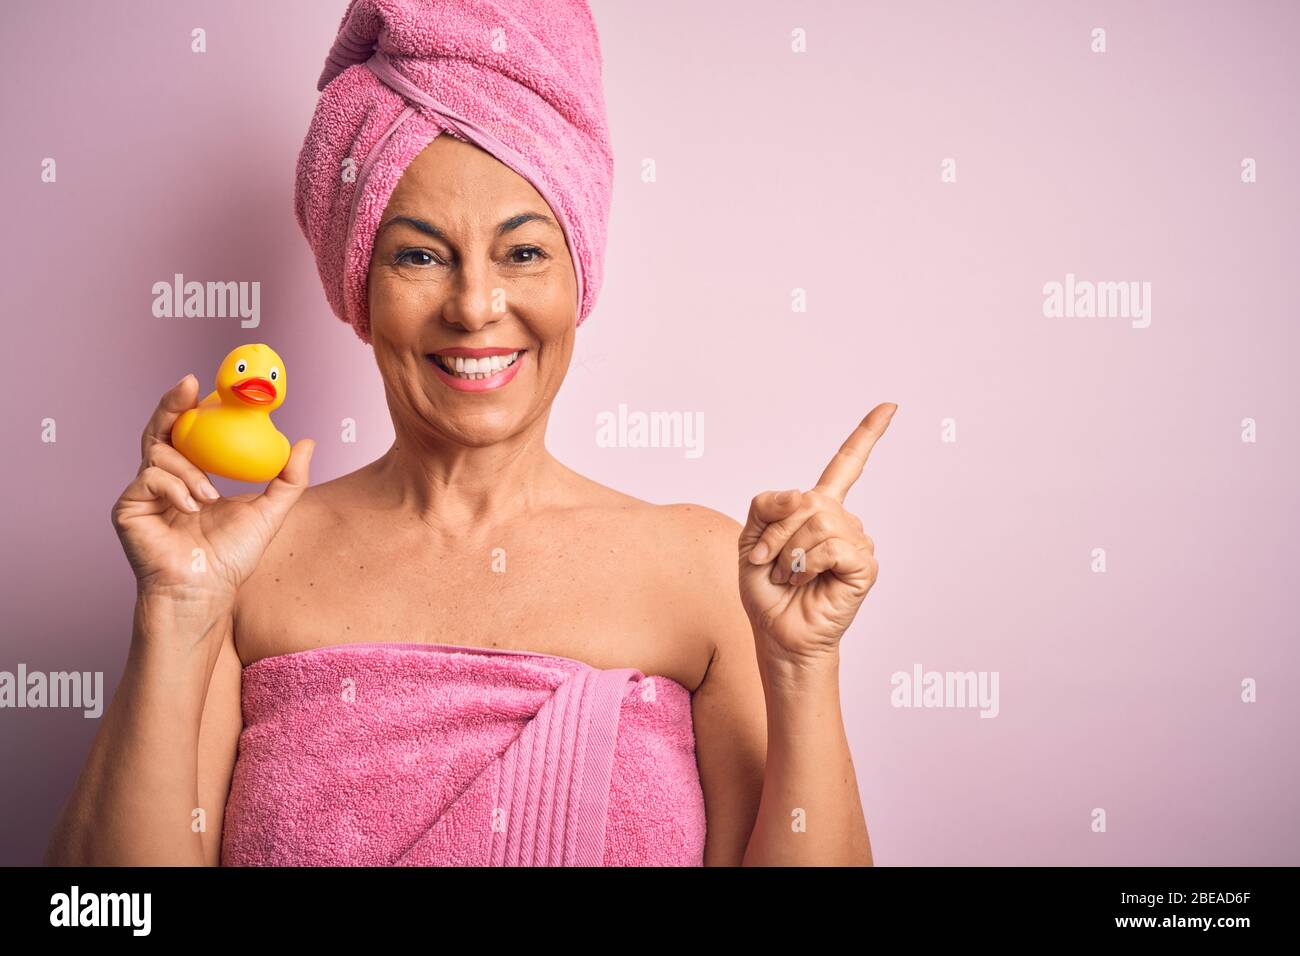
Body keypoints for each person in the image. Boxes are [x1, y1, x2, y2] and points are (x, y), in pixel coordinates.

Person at [45, 0, 894, 866]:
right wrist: (175, 613)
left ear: (578, 280)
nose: (476, 306)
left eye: (524, 253)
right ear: (359, 290)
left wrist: (800, 668)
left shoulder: (708, 571)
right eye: (419, 255)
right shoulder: (243, 565)